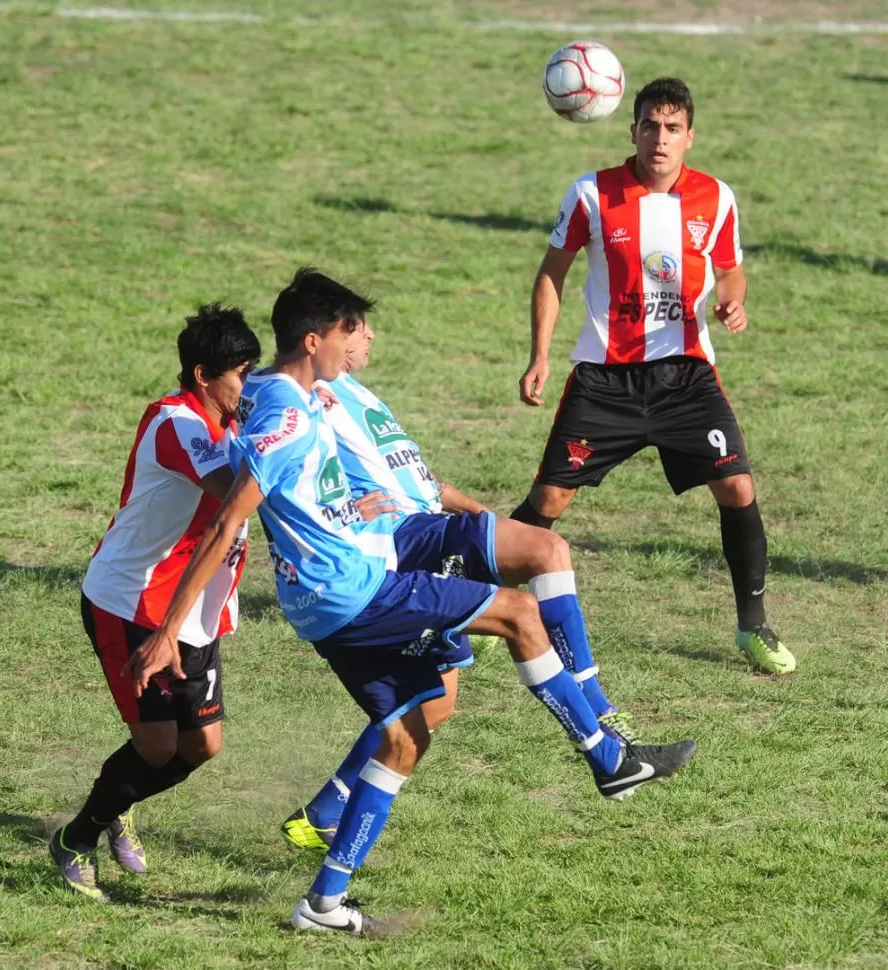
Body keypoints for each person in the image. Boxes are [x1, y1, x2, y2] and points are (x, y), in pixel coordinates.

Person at [124, 267, 697, 935]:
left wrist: (361, 506)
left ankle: (323, 904)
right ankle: (606, 756)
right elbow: (231, 518)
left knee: (406, 736)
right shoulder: (282, 408)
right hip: (351, 590)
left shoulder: (305, 398)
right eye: (349, 331)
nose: (358, 341)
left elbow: (300, 491)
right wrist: (168, 631)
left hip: (332, 596)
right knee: (517, 613)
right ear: (313, 341)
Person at [281, 312, 641, 853]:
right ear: (320, 338)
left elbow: (421, 479)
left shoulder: (361, 397)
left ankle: (320, 815)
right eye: (356, 328)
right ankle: (603, 724)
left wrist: (481, 513)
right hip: (405, 541)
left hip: (430, 525)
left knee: (436, 700)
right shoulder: (307, 401)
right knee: (545, 556)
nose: (369, 336)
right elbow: (280, 469)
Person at [511, 77, 796, 676]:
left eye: (672, 129)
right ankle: (482, 606)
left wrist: (732, 299)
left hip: (686, 377)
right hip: (605, 379)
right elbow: (551, 275)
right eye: (649, 126)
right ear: (632, 129)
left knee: (738, 488)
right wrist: (540, 355)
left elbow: (731, 268)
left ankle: (753, 626)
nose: (659, 139)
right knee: (549, 498)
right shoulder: (591, 193)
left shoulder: (716, 197)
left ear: (689, 135)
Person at [49, 305, 261, 901]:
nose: (247, 386)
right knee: (159, 746)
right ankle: (76, 838)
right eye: (240, 374)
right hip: (132, 604)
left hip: (195, 611)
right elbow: (237, 494)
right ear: (202, 375)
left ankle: (122, 797)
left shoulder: (232, 424)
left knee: (202, 747)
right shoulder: (179, 425)